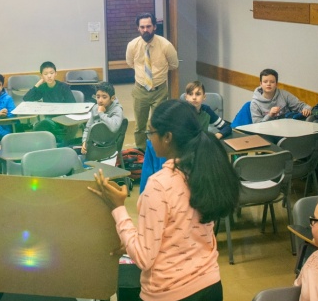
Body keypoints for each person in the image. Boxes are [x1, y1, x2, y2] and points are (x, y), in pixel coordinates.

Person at [89, 100, 239, 301]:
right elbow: (179, 231)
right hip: (209, 288)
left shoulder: (159, 184)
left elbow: (143, 257)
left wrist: (118, 208)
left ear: (168, 137)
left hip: (169, 298)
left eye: (151, 132)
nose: (149, 138)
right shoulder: (204, 168)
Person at [140, 81, 228, 192]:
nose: (194, 98)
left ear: (204, 97)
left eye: (198, 94)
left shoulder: (206, 112)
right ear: (186, 97)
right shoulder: (180, 114)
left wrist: (217, 135)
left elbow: (226, 127)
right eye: (191, 94)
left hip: (196, 152)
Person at [125, 13, 179, 150]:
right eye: (142, 27)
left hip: (159, 91)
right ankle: (141, 153)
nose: (145, 30)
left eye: (148, 26)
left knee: (159, 125)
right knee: (139, 126)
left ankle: (158, 152)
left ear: (154, 27)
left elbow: (174, 65)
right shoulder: (132, 45)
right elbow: (130, 63)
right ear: (138, 28)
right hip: (140, 90)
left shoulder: (166, 45)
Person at [80, 81, 124, 156]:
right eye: (98, 97)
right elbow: (88, 128)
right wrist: (84, 141)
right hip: (94, 145)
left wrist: (101, 113)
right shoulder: (95, 108)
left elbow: (114, 128)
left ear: (112, 98)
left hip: (110, 146)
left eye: (104, 97)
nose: (100, 100)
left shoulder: (117, 110)